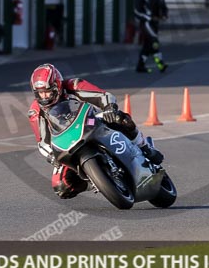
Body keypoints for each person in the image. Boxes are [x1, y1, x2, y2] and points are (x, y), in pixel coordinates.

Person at [27, 63, 164, 199]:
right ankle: (96, 182)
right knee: (61, 186)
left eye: (48, 91)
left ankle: (144, 146)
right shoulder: (35, 112)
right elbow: (43, 142)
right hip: (68, 142)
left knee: (119, 118)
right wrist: (51, 156)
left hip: (91, 121)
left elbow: (102, 95)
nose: (44, 96)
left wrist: (109, 107)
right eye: (40, 93)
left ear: (57, 85)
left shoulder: (73, 85)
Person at [134, 0, 168, 73]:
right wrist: (148, 17)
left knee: (147, 46)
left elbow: (164, 8)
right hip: (146, 24)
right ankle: (160, 64)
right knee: (154, 42)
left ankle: (140, 66)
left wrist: (164, 15)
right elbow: (137, 11)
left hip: (155, 24)